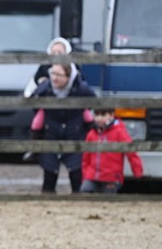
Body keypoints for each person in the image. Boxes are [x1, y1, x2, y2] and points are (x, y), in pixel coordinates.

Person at [29, 50, 96, 194]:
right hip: (51, 131)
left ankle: (78, 201)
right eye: (52, 73)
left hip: (75, 132)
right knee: (49, 173)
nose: (54, 78)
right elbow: (33, 101)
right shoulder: (45, 89)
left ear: (68, 76)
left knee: (76, 173)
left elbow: (94, 101)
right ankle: (33, 148)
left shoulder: (80, 89)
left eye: (59, 75)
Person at [23, 37, 88, 161]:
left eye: (60, 52)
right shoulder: (45, 66)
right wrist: (42, 82)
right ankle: (34, 147)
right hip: (49, 104)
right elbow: (37, 79)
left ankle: (91, 144)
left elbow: (82, 82)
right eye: (54, 52)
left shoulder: (73, 67)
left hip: (71, 104)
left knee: (88, 117)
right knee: (37, 121)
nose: (57, 55)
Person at [80, 108, 143, 193]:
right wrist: (86, 175)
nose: (99, 118)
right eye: (97, 115)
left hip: (112, 177)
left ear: (112, 115)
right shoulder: (92, 134)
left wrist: (137, 171)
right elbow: (86, 158)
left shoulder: (119, 132)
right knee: (85, 191)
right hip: (92, 176)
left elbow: (131, 151)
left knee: (109, 197)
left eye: (103, 115)